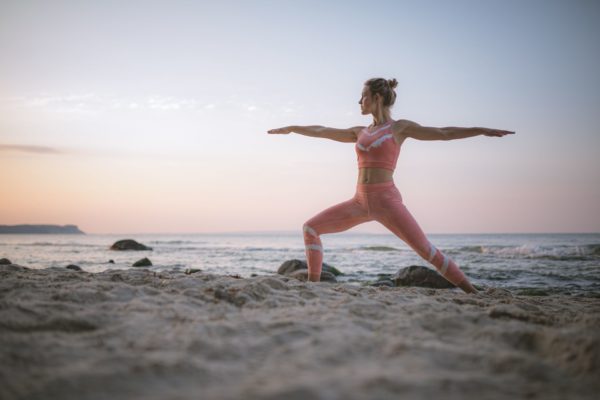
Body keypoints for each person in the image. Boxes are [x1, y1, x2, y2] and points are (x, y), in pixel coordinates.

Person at [267, 78, 514, 294]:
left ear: (375, 97)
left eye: (362, 96)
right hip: (359, 202)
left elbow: (443, 132)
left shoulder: (399, 128)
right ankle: (314, 287)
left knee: (427, 252)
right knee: (311, 228)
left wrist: (481, 130)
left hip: (387, 201)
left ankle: (472, 292)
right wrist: (292, 129)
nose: (358, 101)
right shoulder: (359, 131)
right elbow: (322, 131)